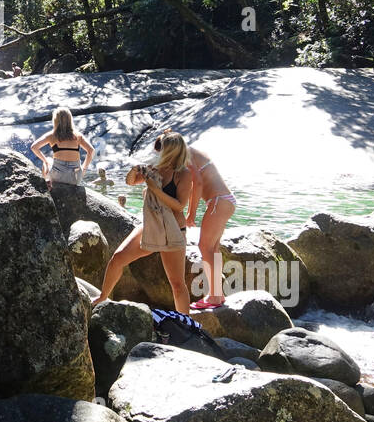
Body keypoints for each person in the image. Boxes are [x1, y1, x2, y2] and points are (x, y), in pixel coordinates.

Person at [91, 131, 193, 313]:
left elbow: (179, 205)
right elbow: (130, 182)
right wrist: (134, 170)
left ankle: (186, 324)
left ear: (173, 150)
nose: (159, 151)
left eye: (162, 148)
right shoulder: (154, 168)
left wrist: (156, 189)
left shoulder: (184, 174)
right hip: (151, 225)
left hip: (173, 229)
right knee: (118, 258)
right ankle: (102, 297)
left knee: (177, 283)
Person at [183, 142, 236, 310]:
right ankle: (218, 294)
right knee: (213, 249)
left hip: (218, 201)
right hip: (224, 200)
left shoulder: (186, 153)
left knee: (204, 246)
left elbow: (197, 183)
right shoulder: (192, 152)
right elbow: (193, 185)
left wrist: (191, 215)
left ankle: (214, 296)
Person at [30, 107, 94, 186]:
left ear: (55, 120)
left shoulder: (51, 135)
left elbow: (34, 147)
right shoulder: (78, 136)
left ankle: (47, 183)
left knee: (48, 160)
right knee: (78, 167)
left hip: (57, 177)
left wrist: (45, 160)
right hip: (75, 178)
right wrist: (84, 168)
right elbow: (91, 150)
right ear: (70, 119)